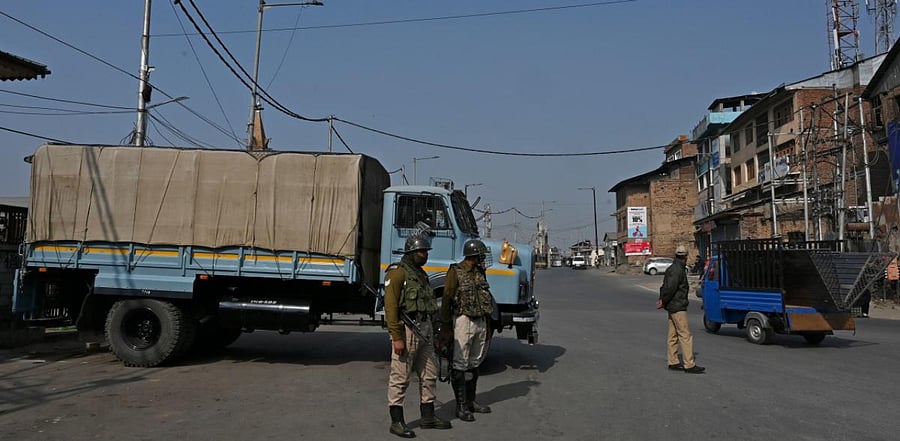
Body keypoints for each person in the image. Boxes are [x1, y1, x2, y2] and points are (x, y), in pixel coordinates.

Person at [384, 234, 452, 437]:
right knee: (400, 377)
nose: (425, 255)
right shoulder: (397, 274)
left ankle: (428, 416)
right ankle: (396, 421)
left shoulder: (420, 275)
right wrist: (397, 337)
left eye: (426, 252)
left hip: (425, 328)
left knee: (429, 374)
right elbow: (391, 307)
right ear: (412, 252)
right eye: (422, 252)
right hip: (407, 330)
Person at [440, 239, 495, 422]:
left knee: (474, 362)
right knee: (460, 363)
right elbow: (447, 298)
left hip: (480, 320)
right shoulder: (455, 271)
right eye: (480, 255)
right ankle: (461, 406)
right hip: (464, 320)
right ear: (473, 255)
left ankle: (471, 401)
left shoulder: (480, 272)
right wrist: (446, 326)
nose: (483, 258)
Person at [657, 245, 705, 374]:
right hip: (677, 306)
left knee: (673, 335)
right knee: (685, 335)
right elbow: (670, 288)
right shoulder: (677, 270)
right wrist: (663, 300)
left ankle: (673, 361)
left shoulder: (673, 268)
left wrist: (663, 300)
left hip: (672, 306)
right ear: (685, 256)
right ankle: (689, 364)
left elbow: (665, 287)